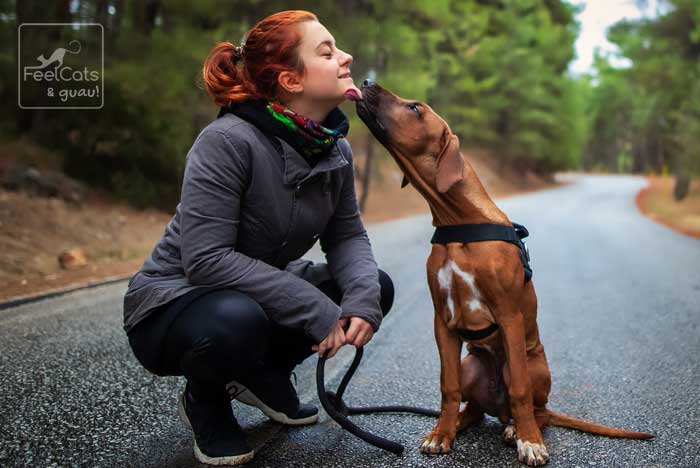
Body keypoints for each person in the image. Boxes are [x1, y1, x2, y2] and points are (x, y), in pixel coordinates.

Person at [122, 9, 395, 466]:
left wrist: (362, 300)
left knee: (374, 285)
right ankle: (205, 403)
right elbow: (206, 260)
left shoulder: (335, 148)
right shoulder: (227, 141)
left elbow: (346, 235)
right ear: (291, 81)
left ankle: (264, 375)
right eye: (327, 52)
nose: (346, 57)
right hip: (174, 303)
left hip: (255, 290)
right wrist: (314, 309)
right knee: (238, 319)